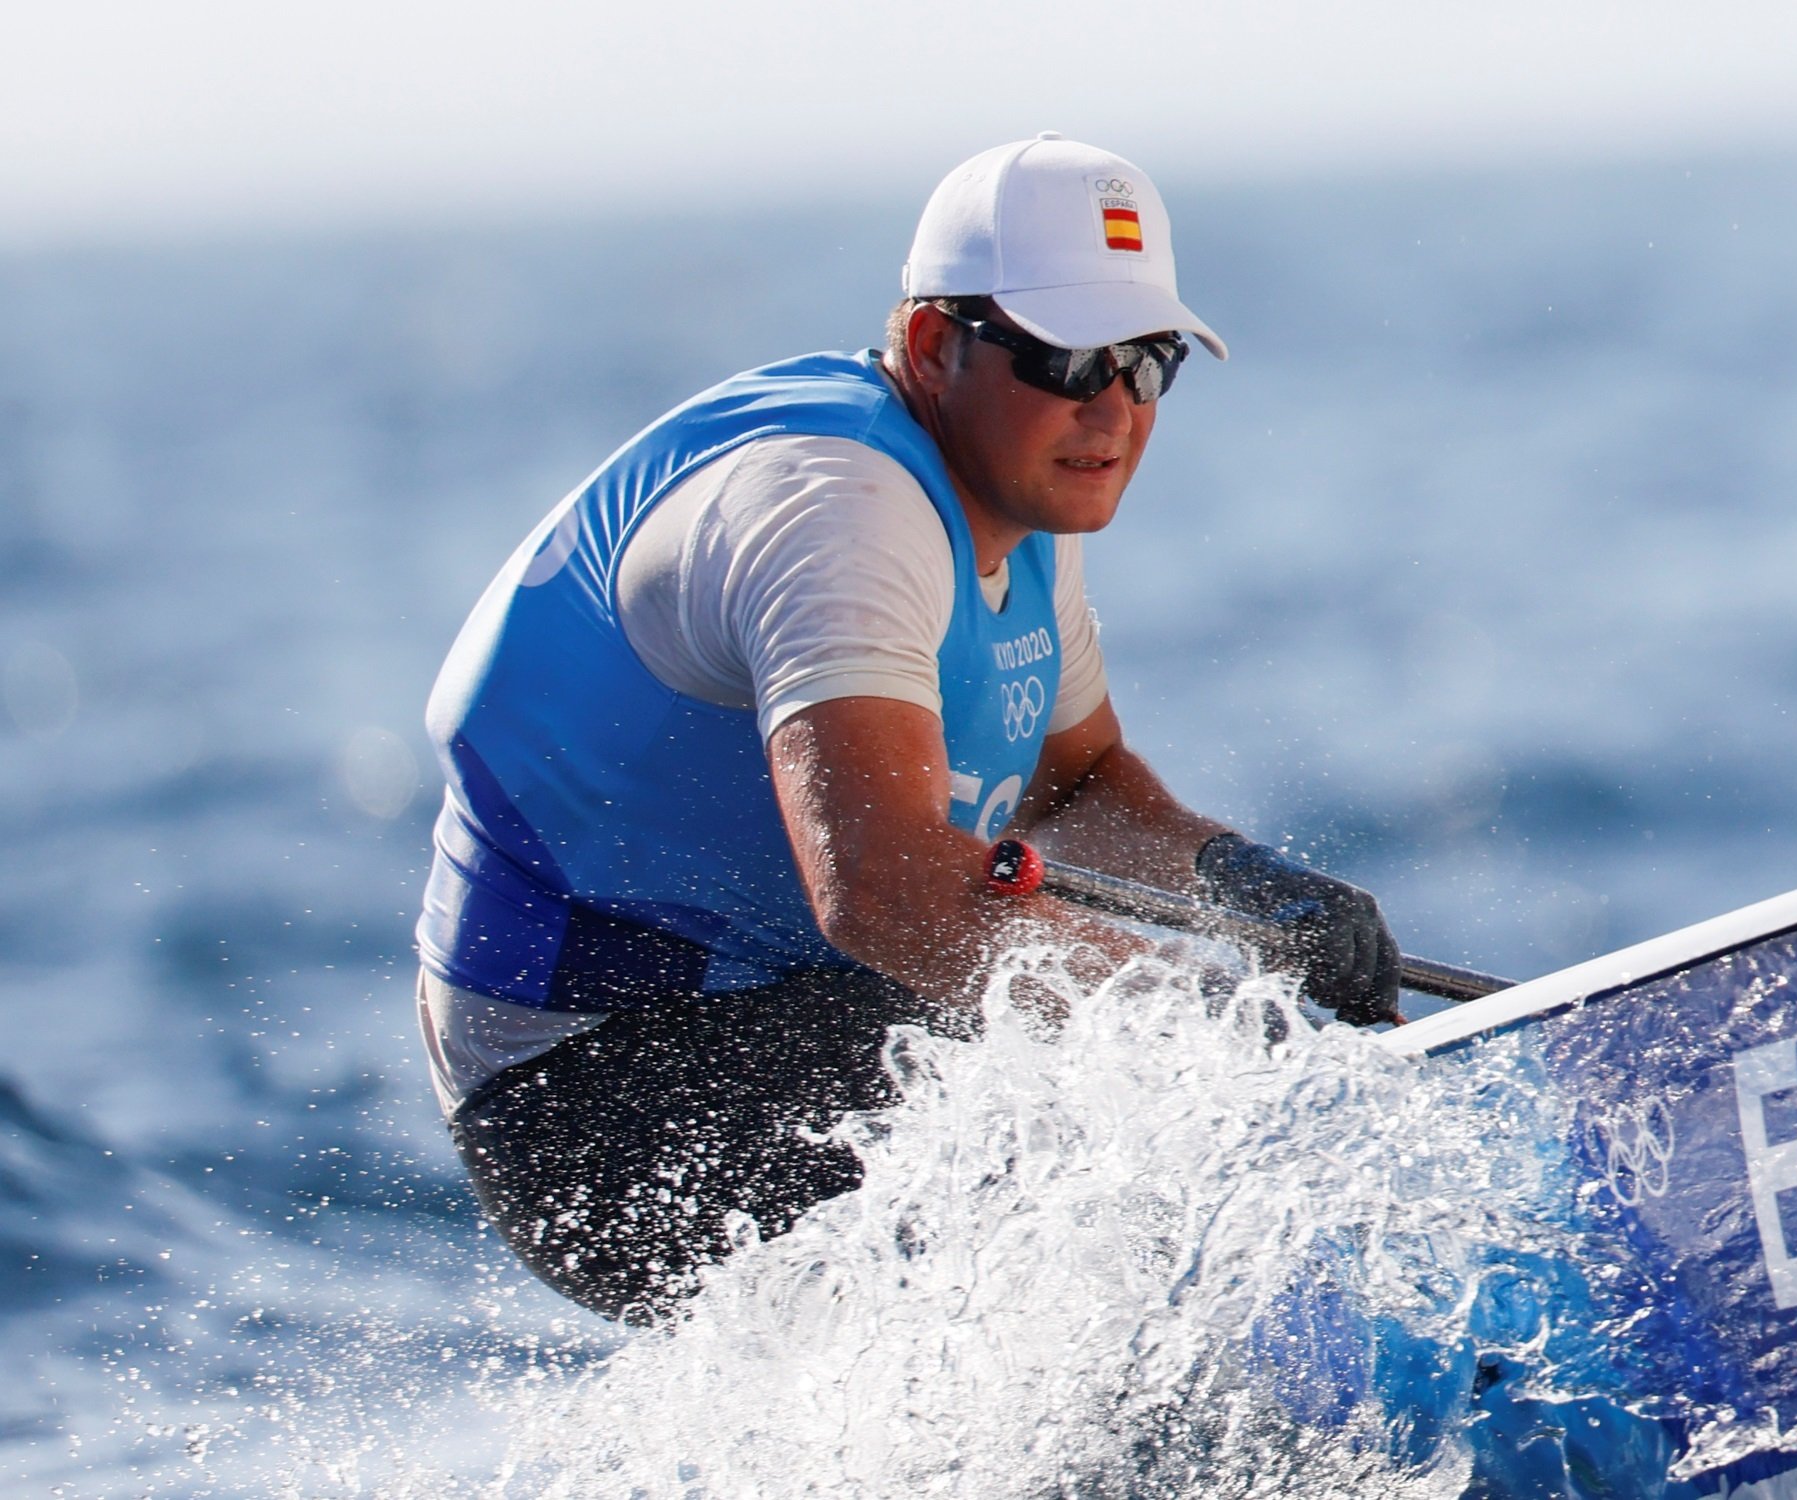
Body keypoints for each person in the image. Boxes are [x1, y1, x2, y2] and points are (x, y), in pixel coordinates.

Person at [414, 134, 1403, 1322]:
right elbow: (886, 895)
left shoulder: (1024, 495)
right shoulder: (839, 507)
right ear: (936, 346)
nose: (1112, 407)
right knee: (1086, 1077)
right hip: (585, 1099)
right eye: (1069, 356)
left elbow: (1077, 787)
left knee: (1069, 1064)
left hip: (801, 1014)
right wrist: (1206, 1022)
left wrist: (1244, 883)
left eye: (1147, 363)